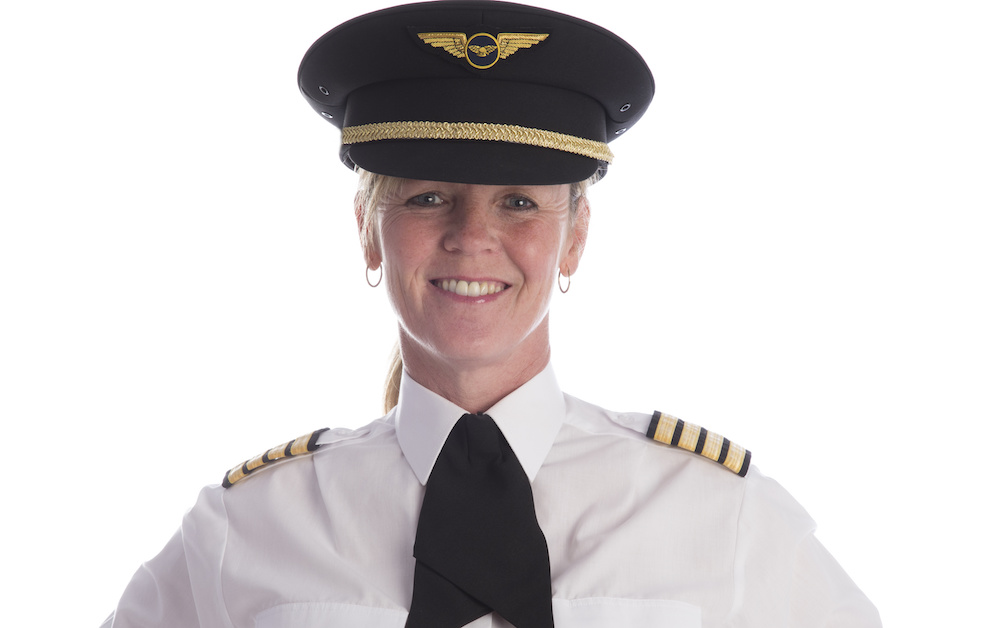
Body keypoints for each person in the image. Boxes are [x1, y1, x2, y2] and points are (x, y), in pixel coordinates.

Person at [102, 1, 881, 626]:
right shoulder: (247, 527)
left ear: (575, 238)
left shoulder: (718, 514)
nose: (472, 238)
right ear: (369, 233)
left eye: (518, 203)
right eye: (428, 196)